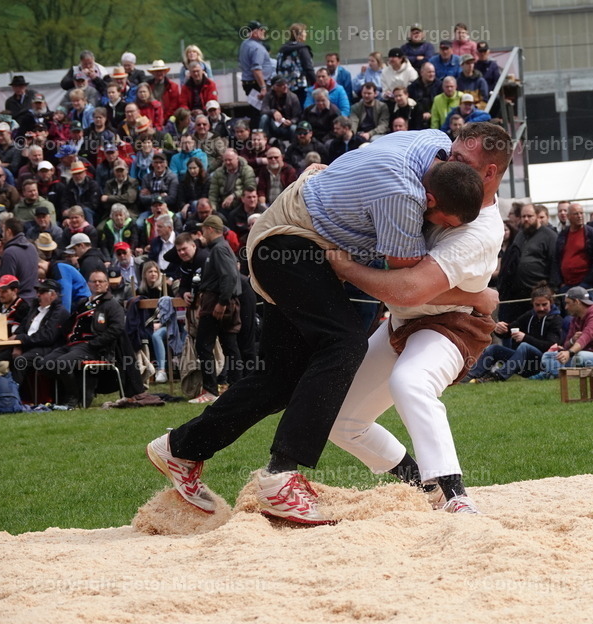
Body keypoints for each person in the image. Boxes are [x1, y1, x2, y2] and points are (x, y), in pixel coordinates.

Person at [145, 129, 485, 523]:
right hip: (288, 245)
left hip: (285, 239)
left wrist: (333, 180)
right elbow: (406, 286)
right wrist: (477, 297)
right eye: (437, 221)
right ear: (428, 198)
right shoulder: (405, 197)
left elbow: (366, 152)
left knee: (281, 379)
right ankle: (280, 477)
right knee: (345, 345)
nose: (431, 226)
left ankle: (180, 448)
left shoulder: (431, 140)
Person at [326, 122, 511, 513]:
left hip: (452, 324)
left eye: (460, 158)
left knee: (411, 381)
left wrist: (345, 268)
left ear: (489, 172)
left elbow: (411, 289)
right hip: (404, 319)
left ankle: (456, 494)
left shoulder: (480, 231)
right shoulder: (432, 174)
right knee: (341, 418)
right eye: (450, 151)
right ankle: (423, 488)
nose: (445, 160)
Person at [40, 269, 124, 408]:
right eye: (93, 281)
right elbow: (69, 324)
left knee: (62, 363)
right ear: (88, 284)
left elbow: (117, 329)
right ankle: (75, 390)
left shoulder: (112, 305)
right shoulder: (83, 303)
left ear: (107, 285)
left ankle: (74, 395)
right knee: (44, 363)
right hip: (72, 345)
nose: (97, 284)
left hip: (94, 347)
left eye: (101, 281)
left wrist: (94, 344)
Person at [187, 215, 242, 403]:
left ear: (210, 229)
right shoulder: (221, 248)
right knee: (230, 346)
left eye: (203, 229)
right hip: (221, 301)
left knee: (204, 345)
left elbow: (229, 277)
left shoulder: (219, 249)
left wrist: (222, 302)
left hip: (217, 302)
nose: (201, 233)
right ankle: (236, 388)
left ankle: (210, 390)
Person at [467, 284, 563, 382]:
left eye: (544, 305)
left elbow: (551, 345)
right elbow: (510, 329)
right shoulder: (529, 316)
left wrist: (525, 337)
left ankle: (498, 376)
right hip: (523, 363)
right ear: (532, 303)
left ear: (551, 303)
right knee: (494, 348)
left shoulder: (556, 320)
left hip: (543, 363)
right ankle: (470, 375)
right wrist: (500, 329)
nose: (541, 308)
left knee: (524, 346)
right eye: (537, 305)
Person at [536, 286, 593, 378]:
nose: (566, 307)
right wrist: (572, 341)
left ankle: (554, 375)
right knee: (548, 356)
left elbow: (585, 338)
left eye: (568, 303)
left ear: (577, 302)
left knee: (579, 357)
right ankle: (559, 376)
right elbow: (566, 345)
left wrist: (569, 353)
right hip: (579, 357)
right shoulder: (576, 318)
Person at [498, 202, 558, 324]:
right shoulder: (520, 235)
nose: (526, 219)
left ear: (537, 216)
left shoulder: (549, 236)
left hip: (538, 294)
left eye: (529, 216)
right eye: (523, 216)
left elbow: (555, 264)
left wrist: (551, 290)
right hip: (516, 295)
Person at [9, 279, 68, 389]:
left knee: (20, 361)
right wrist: (17, 346)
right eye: (37, 292)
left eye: (41, 292)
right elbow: (21, 328)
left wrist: (21, 339)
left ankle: (13, 396)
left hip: (47, 348)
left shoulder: (59, 312)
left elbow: (48, 336)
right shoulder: (35, 309)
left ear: (53, 294)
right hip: (28, 345)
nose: (38, 295)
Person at [552, 202, 593, 293]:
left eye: (581, 213)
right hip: (566, 285)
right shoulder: (562, 235)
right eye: (576, 214)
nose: (579, 216)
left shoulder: (592, 234)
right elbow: (557, 259)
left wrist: (587, 282)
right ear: (568, 216)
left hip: (585, 285)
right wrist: (560, 283)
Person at [0, 218, 38, 301]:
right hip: (34, 299)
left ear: (8, 231)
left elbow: (6, 283)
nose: (2, 235)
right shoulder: (32, 247)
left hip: (18, 303)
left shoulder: (9, 252)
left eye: (3, 231)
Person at [275, 23, 317, 106]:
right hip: (301, 87)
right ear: (299, 35)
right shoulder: (302, 49)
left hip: (285, 87)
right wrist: (316, 83)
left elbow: (277, 69)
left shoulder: (282, 50)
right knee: (303, 110)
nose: (306, 34)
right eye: (304, 32)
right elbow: (308, 68)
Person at [239, 22, 274, 99]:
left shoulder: (245, 43)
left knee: (256, 108)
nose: (264, 31)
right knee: (262, 109)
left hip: (249, 83)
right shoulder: (256, 47)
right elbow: (256, 69)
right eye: (261, 30)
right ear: (254, 33)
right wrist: (263, 87)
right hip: (256, 84)